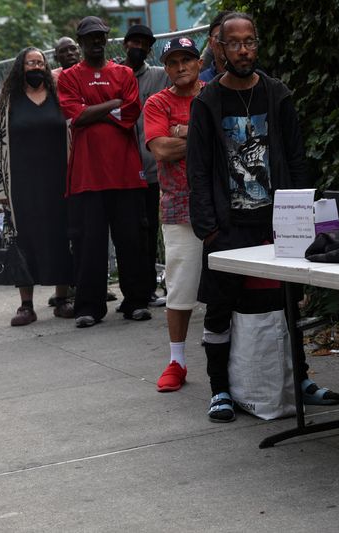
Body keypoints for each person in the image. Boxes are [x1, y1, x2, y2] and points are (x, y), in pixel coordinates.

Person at [187, 12, 339, 422]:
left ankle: (299, 379)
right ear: (219, 47)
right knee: (221, 304)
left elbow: (296, 158)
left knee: (287, 302)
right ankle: (220, 389)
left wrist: (303, 215)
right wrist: (209, 230)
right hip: (228, 224)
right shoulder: (206, 103)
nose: (243, 50)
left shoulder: (278, 95)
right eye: (233, 43)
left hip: (278, 221)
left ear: (257, 44)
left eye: (249, 41)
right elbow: (198, 172)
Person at [57, 15, 151, 328]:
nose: (96, 42)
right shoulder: (69, 77)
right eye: (90, 37)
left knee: (131, 241)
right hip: (88, 176)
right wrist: (112, 103)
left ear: (106, 38)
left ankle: (136, 301)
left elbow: (131, 111)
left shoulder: (124, 73)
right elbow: (75, 117)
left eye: (100, 36)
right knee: (89, 245)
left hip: (125, 173)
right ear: (80, 41)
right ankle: (88, 307)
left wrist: (93, 108)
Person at [0, 47, 75, 325]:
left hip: (58, 182)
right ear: (20, 68)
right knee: (23, 240)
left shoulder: (58, 97)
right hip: (21, 186)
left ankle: (62, 298)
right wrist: (0, 191)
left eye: (40, 62)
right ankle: (26, 305)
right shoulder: (8, 104)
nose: (36, 67)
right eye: (30, 63)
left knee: (60, 236)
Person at [144, 37, 205, 391]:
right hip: (179, 205)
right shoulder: (157, 103)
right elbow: (162, 150)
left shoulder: (214, 94)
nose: (180, 67)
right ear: (165, 69)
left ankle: (230, 357)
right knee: (180, 286)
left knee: (230, 284)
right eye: (173, 62)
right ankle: (177, 361)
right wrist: (200, 137)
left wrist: (183, 132)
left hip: (222, 206)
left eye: (187, 59)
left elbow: (229, 142)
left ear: (199, 63)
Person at [122, 24, 171, 308]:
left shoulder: (158, 76)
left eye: (144, 44)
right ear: (125, 44)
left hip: (151, 170)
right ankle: (133, 290)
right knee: (128, 233)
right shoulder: (115, 76)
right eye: (134, 42)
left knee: (150, 229)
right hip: (123, 171)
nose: (138, 47)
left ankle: (149, 288)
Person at [199, 11, 231, 82]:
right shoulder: (201, 82)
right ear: (210, 42)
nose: (223, 42)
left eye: (230, 38)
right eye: (219, 37)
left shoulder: (255, 77)